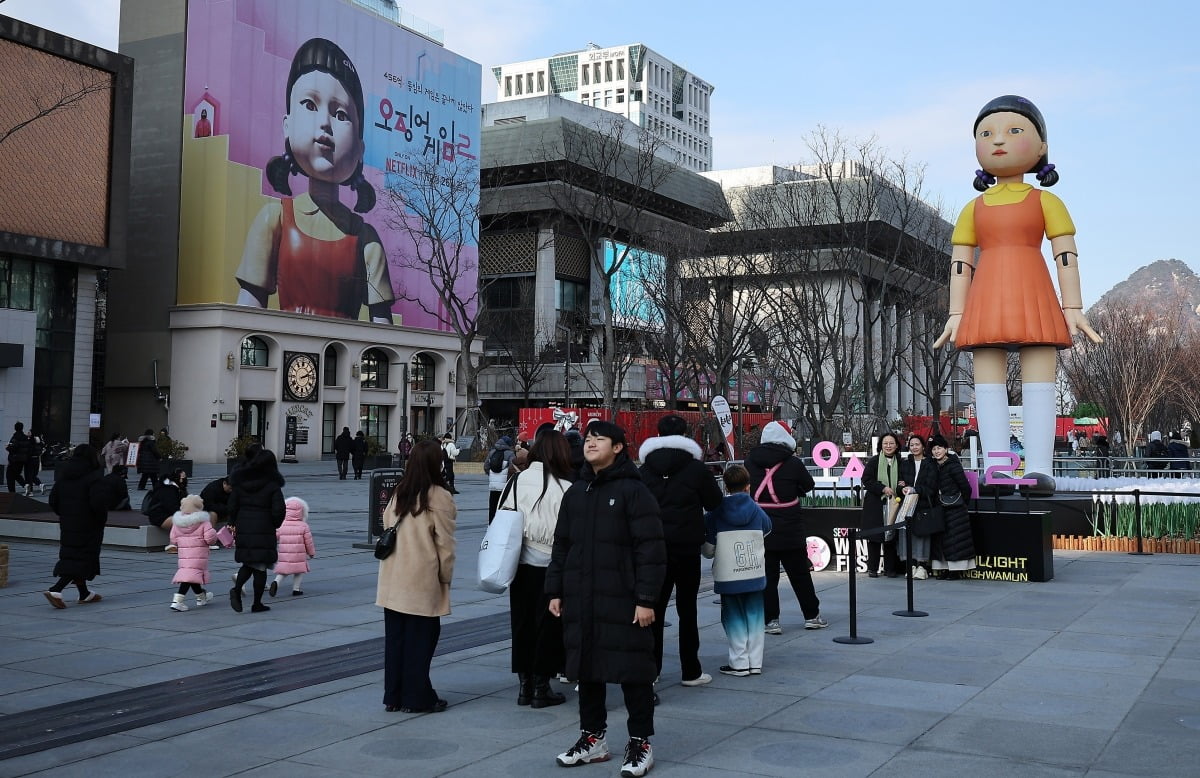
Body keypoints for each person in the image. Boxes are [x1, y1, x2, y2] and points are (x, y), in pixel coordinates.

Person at [934, 95, 1102, 496]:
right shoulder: (972, 209)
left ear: (1041, 146)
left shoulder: (1046, 201)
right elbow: (960, 264)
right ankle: (997, 468)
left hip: (1033, 290)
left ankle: (1040, 469)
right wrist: (956, 311)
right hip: (986, 297)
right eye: (986, 134)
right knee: (987, 378)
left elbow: (1065, 254)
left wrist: (1073, 306)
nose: (997, 141)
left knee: (1039, 376)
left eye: (1014, 131)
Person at [236, 37, 394, 322]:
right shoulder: (275, 219)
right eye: (310, 104)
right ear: (287, 125)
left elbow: (383, 328)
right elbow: (247, 309)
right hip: (282, 352)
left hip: (347, 356)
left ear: (360, 149)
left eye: (341, 114)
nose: (325, 123)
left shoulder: (365, 238)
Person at [546, 421, 665, 776]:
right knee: (587, 670)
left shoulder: (634, 491)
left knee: (634, 672)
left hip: (625, 600)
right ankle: (592, 739)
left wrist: (646, 599)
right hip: (582, 598)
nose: (590, 442)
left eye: (600, 438)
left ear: (618, 447)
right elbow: (562, 544)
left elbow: (652, 549)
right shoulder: (576, 491)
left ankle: (640, 742)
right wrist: (555, 589)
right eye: (587, 438)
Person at [638, 414, 723, 690]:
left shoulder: (645, 470)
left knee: (653, 609)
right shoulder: (696, 469)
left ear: (658, 434)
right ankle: (691, 670)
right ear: (685, 433)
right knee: (688, 609)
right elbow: (714, 502)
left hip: (653, 548)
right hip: (687, 547)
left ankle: (651, 670)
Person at [376, 439, 457, 713]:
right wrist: (445, 577)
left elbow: (387, 524)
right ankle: (417, 696)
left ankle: (393, 696)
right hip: (422, 579)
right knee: (421, 640)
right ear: (437, 463)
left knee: (395, 640)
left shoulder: (401, 491)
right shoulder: (440, 497)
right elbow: (445, 546)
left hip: (393, 579)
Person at [505, 430, 572, 709]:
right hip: (551, 567)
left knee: (521, 625)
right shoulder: (565, 487)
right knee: (548, 627)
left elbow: (502, 516)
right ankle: (541, 688)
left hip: (518, 564)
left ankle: (524, 685)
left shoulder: (517, 481)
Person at [745, 420, 826, 635]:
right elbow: (808, 485)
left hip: (761, 525)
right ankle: (812, 616)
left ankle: (771, 620)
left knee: (768, 577)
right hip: (790, 525)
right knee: (800, 574)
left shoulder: (750, 460)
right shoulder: (793, 462)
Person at [704, 465, 772, 677]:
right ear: (748, 486)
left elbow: (708, 549)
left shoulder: (715, 513)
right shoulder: (757, 510)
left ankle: (739, 662)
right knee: (756, 616)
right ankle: (755, 662)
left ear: (725, 486)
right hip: (754, 572)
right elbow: (768, 529)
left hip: (728, 575)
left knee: (732, 617)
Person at [44, 445, 108, 608]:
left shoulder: (63, 476)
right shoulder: (94, 477)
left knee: (73, 554)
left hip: (68, 523)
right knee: (83, 557)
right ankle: (56, 589)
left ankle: (84, 593)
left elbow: (53, 500)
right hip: (89, 524)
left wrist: (64, 513)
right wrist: (100, 520)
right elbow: (98, 503)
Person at [228, 448, 286, 613]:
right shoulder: (272, 484)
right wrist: (275, 523)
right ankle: (256, 603)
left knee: (248, 562)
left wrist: (233, 521)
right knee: (260, 566)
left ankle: (237, 589)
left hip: (244, 526)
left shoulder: (240, 481)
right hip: (263, 526)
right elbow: (279, 510)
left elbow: (232, 504)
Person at [929, 435, 976, 580]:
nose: (936, 451)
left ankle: (956, 570)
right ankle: (944, 568)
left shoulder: (953, 465)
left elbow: (966, 488)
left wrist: (962, 503)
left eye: (939, 448)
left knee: (956, 540)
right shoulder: (933, 466)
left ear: (946, 449)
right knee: (942, 540)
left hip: (956, 509)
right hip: (940, 508)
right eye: (934, 449)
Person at [861, 432, 903, 578]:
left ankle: (890, 569)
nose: (888, 446)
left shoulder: (901, 461)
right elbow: (866, 479)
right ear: (881, 446)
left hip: (894, 503)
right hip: (876, 503)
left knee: (891, 536)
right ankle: (872, 568)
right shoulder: (874, 461)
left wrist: (900, 486)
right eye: (885, 443)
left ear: (897, 445)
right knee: (874, 536)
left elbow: (904, 479)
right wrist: (882, 488)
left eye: (891, 443)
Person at [897, 434, 937, 580]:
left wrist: (914, 489)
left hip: (923, 505)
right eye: (911, 444)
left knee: (922, 536)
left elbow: (931, 487)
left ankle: (922, 566)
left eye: (917, 444)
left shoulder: (930, 463)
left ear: (923, 446)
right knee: (907, 534)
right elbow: (899, 482)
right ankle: (910, 564)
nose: (914, 447)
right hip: (907, 505)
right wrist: (901, 489)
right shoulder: (905, 463)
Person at [168, 493, 218, 611]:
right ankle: (177, 601)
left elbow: (173, 538)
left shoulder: (177, 522)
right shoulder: (203, 522)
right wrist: (214, 534)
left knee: (191, 575)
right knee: (189, 577)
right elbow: (210, 539)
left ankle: (201, 597)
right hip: (198, 554)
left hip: (184, 555)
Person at [272, 496, 316, 597]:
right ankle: (296, 589)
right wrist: (311, 553)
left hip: (285, 553)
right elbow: (308, 542)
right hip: (299, 553)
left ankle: (276, 582)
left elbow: (276, 536)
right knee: (299, 570)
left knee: (284, 571)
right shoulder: (303, 525)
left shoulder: (282, 524)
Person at [486, 435, 517, 522]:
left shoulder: (492, 452)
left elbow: (486, 466)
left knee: (492, 507)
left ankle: (491, 526)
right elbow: (512, 467)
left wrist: (492, 475)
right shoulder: (510, 454)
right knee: (503, 507)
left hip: (493, 486)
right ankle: (500, 526)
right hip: (504, 486)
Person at [6, 421, 31, 493]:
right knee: (16, 474)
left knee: (9, 476)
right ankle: (25, 485)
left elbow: (13, 448)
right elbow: (28, 449)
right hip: (22, 460)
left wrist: (7, 447)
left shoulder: (15, 437)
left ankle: (12, 492)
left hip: (14, 460)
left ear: (15, 428)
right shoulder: (26, 438)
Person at [22, 430, 44, 496]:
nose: (27, 433)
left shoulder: (30, 441)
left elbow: (28, 451)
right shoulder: (38, 442)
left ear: (32, 434)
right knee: (33, 476)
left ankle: (30, 492)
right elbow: (41, 450)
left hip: (29, 460)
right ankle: (40, 484)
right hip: (36, 460)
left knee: (29, 476)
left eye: (29, 432)